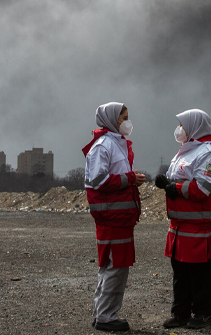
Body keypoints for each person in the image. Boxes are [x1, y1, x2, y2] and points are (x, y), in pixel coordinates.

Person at [154, 109, 211, 329]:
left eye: (183, 125)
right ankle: (181, 313)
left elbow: (201, 189)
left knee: (201, 272)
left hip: (199, 226)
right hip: (179, 226)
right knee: (180, 271)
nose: (180, 130)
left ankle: (205, 314)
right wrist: (165, 182)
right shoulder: (185, 152)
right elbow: (176, 181)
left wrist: (172, 187)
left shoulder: (208, 154)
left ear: (194, 127)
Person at [83, 102, 145, 332]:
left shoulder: (117, 144)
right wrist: (130, 179)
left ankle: (102, 312)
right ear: (110, 120)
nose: (127, 122)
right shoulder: (103, 146)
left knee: (113, 266)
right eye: (123, 117)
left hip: (121, 218)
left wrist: (131, 178)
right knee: (114, 267)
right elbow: (98, 181)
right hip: (112, 218)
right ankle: (106, 316)